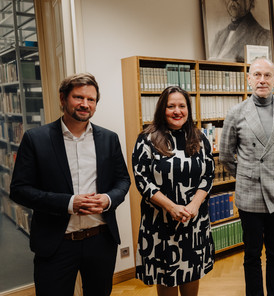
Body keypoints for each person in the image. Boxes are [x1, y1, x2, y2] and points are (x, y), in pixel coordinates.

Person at [9, 73, 131, 295]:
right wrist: (68, 203)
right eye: (78, 97)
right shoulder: (36, 139)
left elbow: (123, 179)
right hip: (56, 243)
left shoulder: (108, 138)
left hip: (100, 240)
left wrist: (108, 199)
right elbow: (19, 190)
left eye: (91, 99)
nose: (85, 104)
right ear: (63, 98)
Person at [219, 57, 274, 296]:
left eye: (267, 75)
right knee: (252, 254)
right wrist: (247, 175)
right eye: (257, 75)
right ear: (249, 79)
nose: (262, 80)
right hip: (249, 195)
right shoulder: (236, 112)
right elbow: (225, 155)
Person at [132, 86, 215, 296]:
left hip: (193, 223)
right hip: (161, 225)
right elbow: (143, 181)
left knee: (192, 276)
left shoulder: (200, 138)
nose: (177, 111)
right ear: (162, 109)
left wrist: (193, 206)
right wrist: (172, 207)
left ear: (188, 109)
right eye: (171, 106)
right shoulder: (146, 139)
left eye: (182, 106)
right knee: (167, 278)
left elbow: (208, 176)